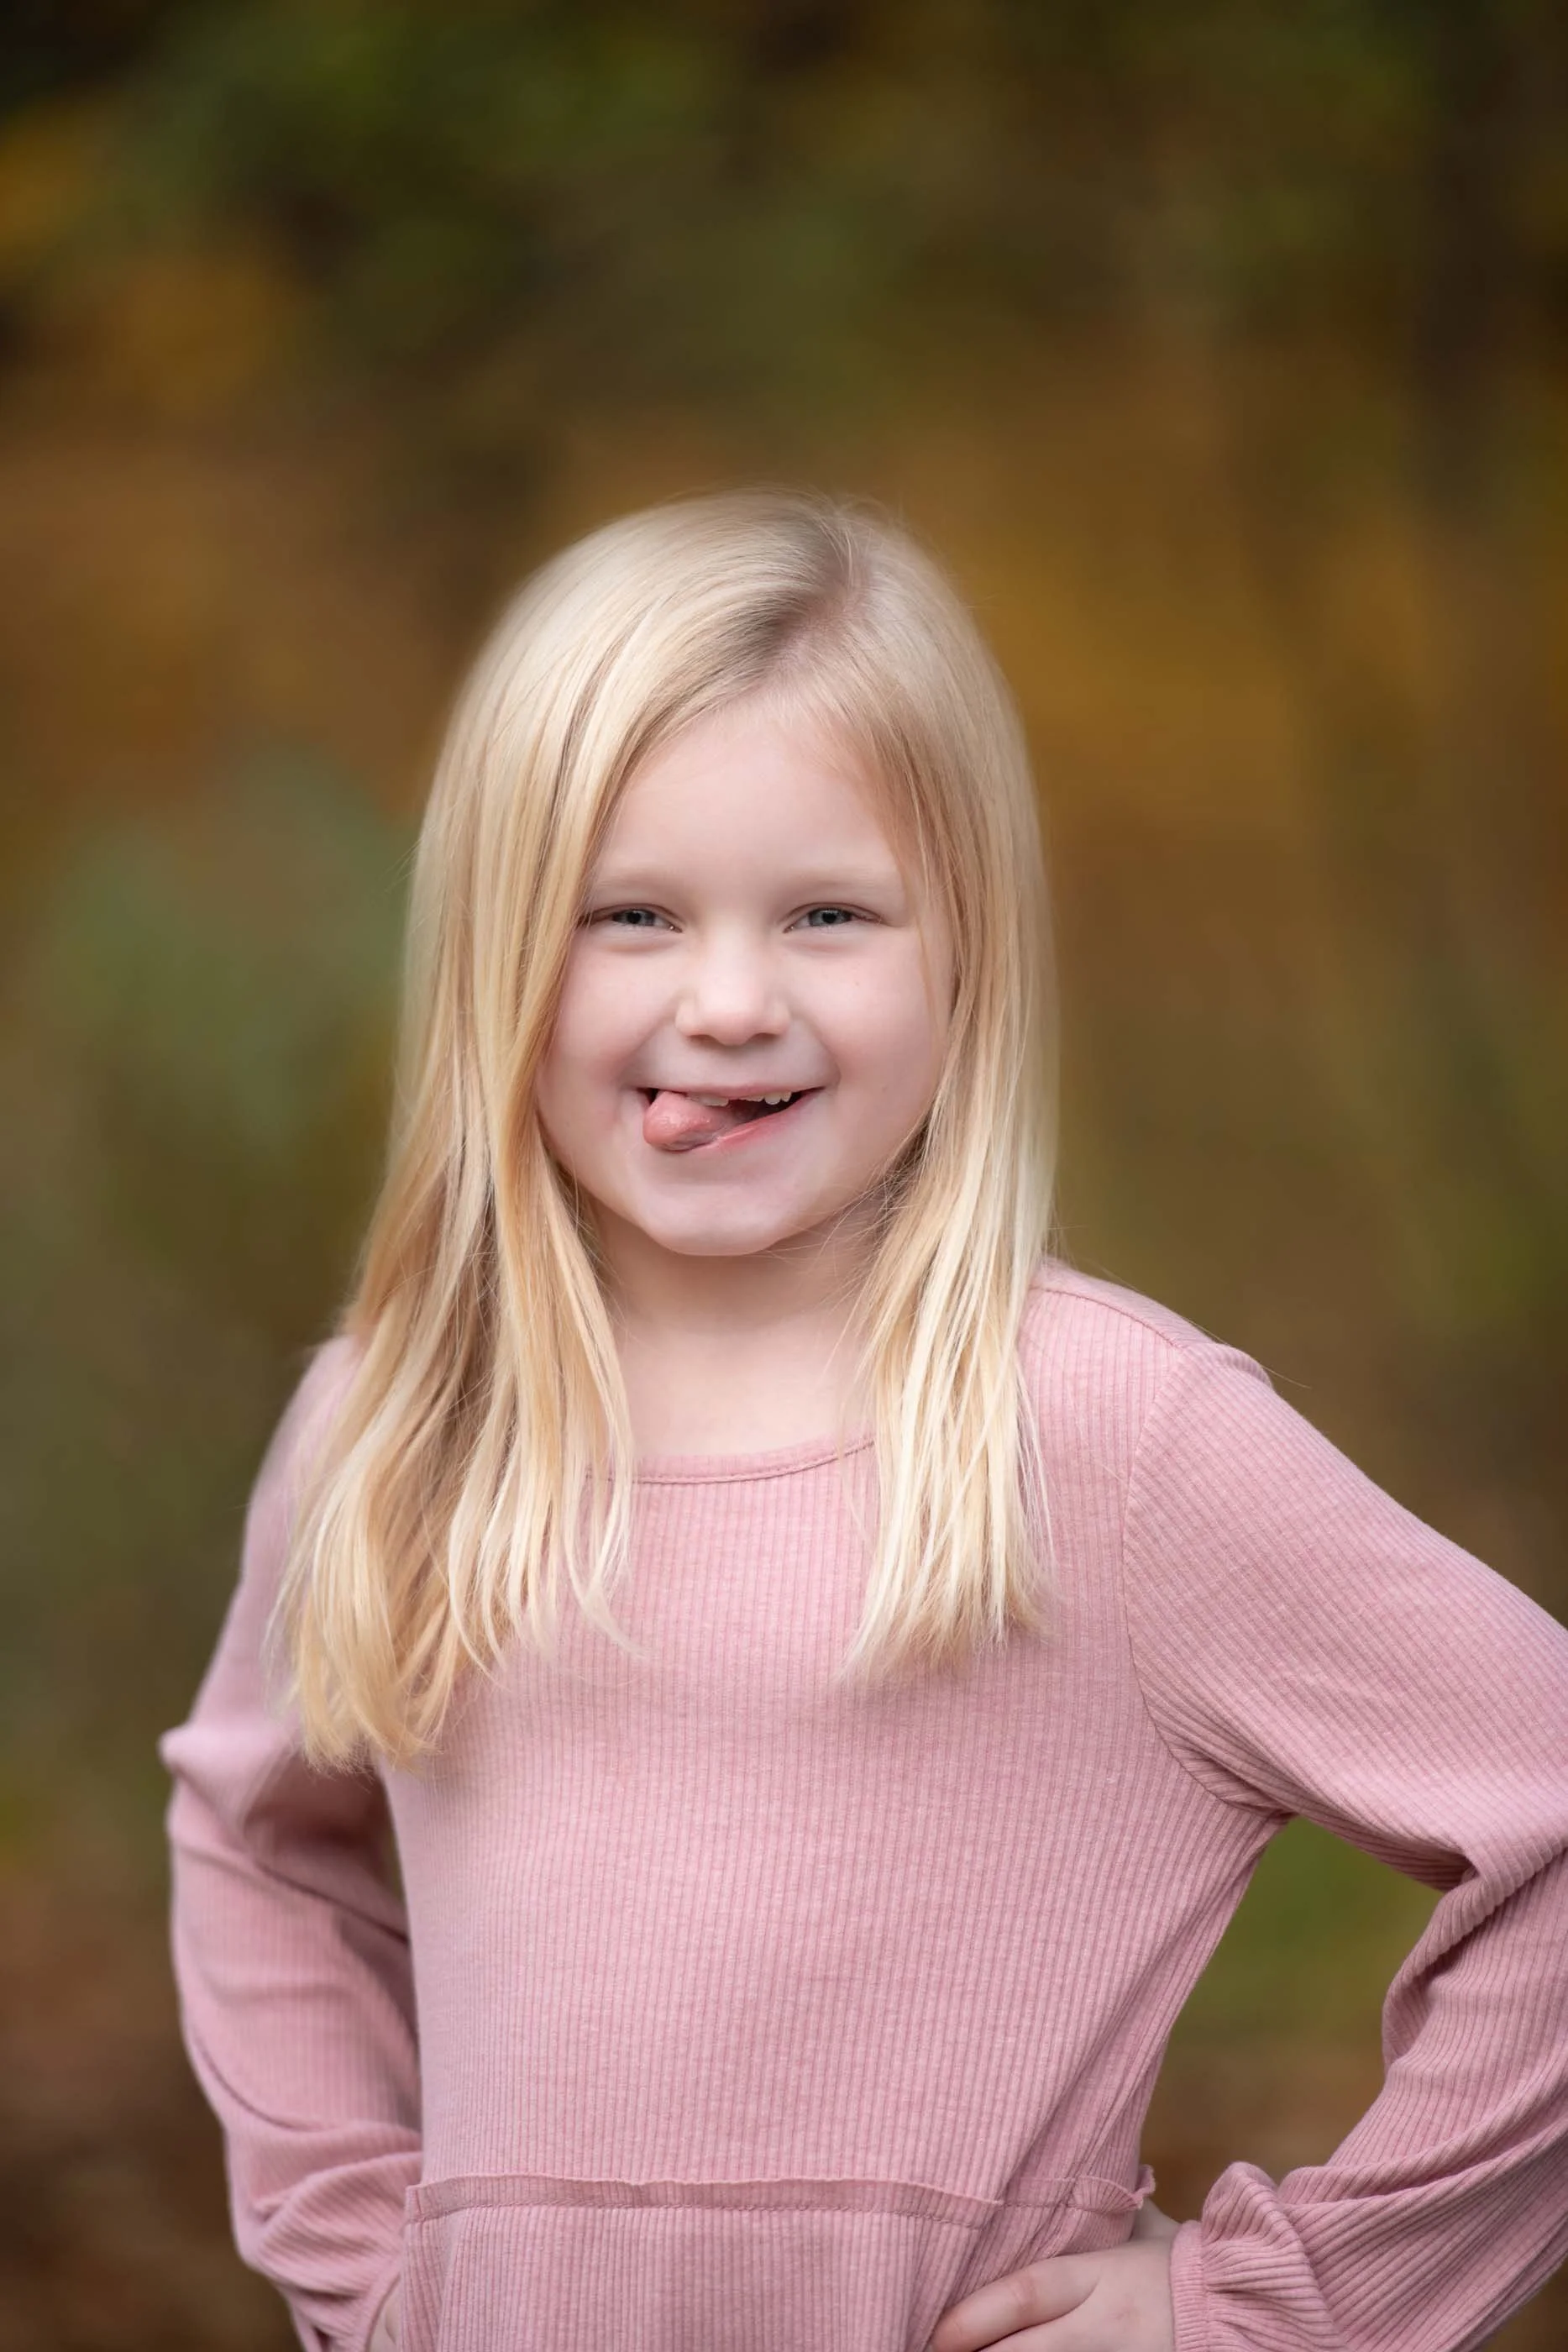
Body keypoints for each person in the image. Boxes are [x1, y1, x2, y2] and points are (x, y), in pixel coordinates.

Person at [159, 490, 1568, 2352]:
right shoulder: (395, 1422)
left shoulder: (1108, 1437)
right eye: (631, 915)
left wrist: (1281, 2306)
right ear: (499, 950)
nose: (730, 1000)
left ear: (964, 954)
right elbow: (262, 1835)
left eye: (829, 913)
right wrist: (366, 2258)